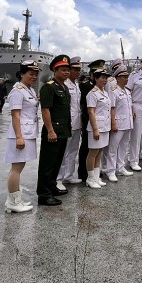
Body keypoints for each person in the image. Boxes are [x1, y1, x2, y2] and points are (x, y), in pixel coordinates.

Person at [4, 60, 41, 214]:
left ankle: (14, 200)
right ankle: (13, 202)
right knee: (16, 169)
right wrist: (19, 137)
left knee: (20, 167)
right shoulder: (18, 91)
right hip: (21, 134)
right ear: (22, 74)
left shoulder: (29, 90)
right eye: (30, 74)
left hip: (27, 132)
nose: (34, 77)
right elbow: (15, 115)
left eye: (36, 74)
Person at [36, 55, 72, 206]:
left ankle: (52, 187)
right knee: (48, 163)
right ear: (54, 70)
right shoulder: (49, 87)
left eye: (67, 70)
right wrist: (50, 130)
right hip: (53, 131)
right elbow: (45, 110)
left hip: (63, 130)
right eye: (63, 70)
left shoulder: (64, 87)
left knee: (57, 161)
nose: (66, 72)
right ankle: (44, 194)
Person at [56, 56, 84, 189]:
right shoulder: (64, 84)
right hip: (67, 123)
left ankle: (69, 175)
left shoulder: (76, 85)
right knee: (63, 151)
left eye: (79, 69)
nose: (78, 72)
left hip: (77, 123)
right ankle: (58, 178)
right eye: (75, 69)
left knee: (73, 150)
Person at [105, 65, 134, 180]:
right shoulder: (113, 91)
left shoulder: (127, 91)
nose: (126, 79)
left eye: (127, 76)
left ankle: (120, 167)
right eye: (124, 77)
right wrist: (113, 123)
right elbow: (112, 108)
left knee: (124, 146)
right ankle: (110, 171)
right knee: (113, 148)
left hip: (127, 122)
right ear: (117, 78)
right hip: (118, 123)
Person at [79, 59, 105, 182]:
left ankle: (95, 173)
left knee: (99, 149)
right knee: (86, 147)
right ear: (92, 75)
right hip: (87, 119)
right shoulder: (85, 86)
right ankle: (84, 172)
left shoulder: (102, 88)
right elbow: (86, 106)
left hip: (100, 121)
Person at [85, 68, 111, 189]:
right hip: (96, 127)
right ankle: (90, 178)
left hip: (105, 126)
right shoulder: (92, 94)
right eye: (102, 77)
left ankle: (96, 177)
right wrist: (95, 129)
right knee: (93, 153)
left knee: (100, 152)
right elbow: (91, 112)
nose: (104, 80)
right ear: (95, 78)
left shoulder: (105, 93)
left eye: (106, 78)